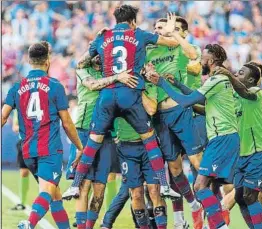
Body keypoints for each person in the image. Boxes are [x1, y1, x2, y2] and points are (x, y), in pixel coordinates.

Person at [63, 5, 181, 199]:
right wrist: (170, 33)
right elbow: (172, 44)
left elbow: (81, 63)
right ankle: (164, 185)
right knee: (149, 139)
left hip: (107, 96)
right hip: (131, 94)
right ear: (133, 21)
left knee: (93, 142)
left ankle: (75, 185)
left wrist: (95, 41)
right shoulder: (140, 34)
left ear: (116, 20)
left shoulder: (104, 36)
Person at [146, 44, 240, 229]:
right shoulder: (217, 79)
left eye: (203, 58)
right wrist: (178, 84)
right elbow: (200, 98)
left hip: (222, 138)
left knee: (201, 186)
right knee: (207, 185)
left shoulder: (216, 80)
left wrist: (162, 83)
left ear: (211, 61)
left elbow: (187, 101)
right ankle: (218, 224)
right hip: (223, 138)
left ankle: (219, 224)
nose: (200, 61)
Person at [1, 41, 83, 229]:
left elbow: (3, 117)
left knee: (55, 196)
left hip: (28, 151)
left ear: (29, 61)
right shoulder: (55, 86)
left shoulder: (16, 87)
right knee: (48, 190)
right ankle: (29, 223)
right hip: (49, 149)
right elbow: (67, 122)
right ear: (47, 61)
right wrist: (79, 146)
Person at [146, 17, 204, 229]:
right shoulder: (149, 53)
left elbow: (193, 56)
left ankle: (214, 212)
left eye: (160, 27)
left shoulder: (179, 47)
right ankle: (193, 204)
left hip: (182, 111)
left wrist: (174, 34)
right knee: (174, 169)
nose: (157, 30)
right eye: (155, 28)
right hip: (160, 117)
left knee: (198, 162)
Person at [64, 55, 135, 228]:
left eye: (102, 53)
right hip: (84, 131)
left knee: (100, 187)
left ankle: (89, 225)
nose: (98, 56)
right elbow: (92, 84)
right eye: (95, 53)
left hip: (106, 134)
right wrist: (116, 77)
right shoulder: (83, 71)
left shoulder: (112, 74)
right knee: (83, 184)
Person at [213, 61, 262, 229]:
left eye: (241, 73)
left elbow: (245, 92)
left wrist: (228, 74)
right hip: (242, 154)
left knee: (250, 196)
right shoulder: (234, 99)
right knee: (241, 197)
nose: (237, 74)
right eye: (237, 72)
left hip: (259, 152)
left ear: (250, 81)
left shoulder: (254, 92)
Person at [115, 80, 167, 229]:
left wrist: (140, 89)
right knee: (136, 194)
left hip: (148, 147)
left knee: (154, 191)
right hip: (126, 148)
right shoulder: (117, 90)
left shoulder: (147, 86)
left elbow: (151, 109)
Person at [10, 111, 30, 211]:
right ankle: (22, 202)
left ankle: (47, 202)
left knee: (41, 174)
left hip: (39, 142)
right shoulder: (17, 110)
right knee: (24, 172)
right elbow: (15, 127)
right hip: (23, 142)